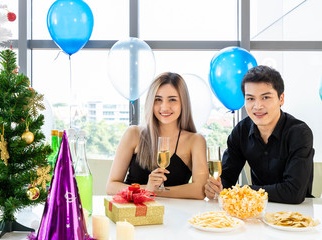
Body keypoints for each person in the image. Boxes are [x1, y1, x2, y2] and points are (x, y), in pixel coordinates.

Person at [205, 65, 314, 204]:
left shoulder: (299, 133)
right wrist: (215, 187)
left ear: (281, 99)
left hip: (297, 216)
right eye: (250, 98)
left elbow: (294, 193)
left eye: (265, 97)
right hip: (256, 210)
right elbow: (226, 179)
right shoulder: (241, 131)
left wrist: (244, 191)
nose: (257, 106)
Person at [106, 72, 209, 199]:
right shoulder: (133, 134)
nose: (164, 107)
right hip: (131, 214)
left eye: (172, 99)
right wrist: (146, 188)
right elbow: (111, 187)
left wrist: (154, 191)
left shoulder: (195, 141)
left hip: (177, 215)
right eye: (158, 100)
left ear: (183, 103)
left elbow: (200, 191)